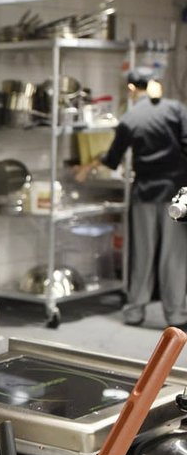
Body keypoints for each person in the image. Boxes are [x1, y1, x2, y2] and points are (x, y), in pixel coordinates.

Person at [74, 67, 187, 328]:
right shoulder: (178, 110)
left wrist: (87, 166)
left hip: (146, 191)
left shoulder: (131, 118)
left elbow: (113, 159)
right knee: (175, 254)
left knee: (142, 253)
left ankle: (135, 311)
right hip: (179, 193)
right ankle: (177, 315)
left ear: (132, 89)